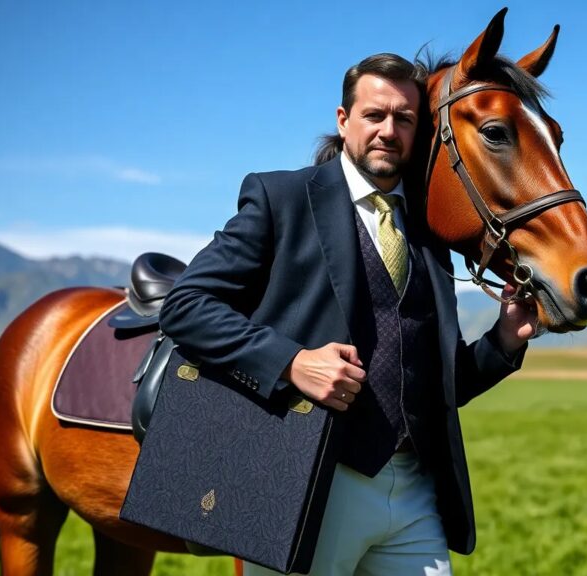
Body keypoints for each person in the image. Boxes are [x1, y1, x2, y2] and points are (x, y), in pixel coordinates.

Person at [159, 53, 537, 576]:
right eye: (374, 115)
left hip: (414, 497)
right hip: (307, 483)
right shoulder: (281, 198)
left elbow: (434, 388)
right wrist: (291, 363)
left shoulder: (431, 232)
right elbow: (186, 305)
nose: (389, 130)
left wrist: (504, 341)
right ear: (344, 120)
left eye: (404, 119)